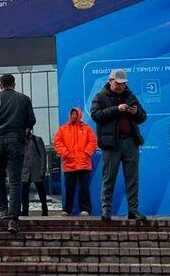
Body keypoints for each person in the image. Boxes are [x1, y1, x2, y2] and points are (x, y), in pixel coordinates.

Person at [90, 69, 148, 222]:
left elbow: (143, 117)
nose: (121, 86)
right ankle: (106, 211)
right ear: (110, 81)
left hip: (131, 142)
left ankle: (133, 210)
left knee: (132, 178)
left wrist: (135, 112)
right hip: (112, 144)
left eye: (123, 83)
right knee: (109, 177)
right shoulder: (100, 96)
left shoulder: (130, 96)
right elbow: (95, 115)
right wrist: (116, 109)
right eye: (118, 83)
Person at [0, 73, 36, 234]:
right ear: (14, 84)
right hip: (16, 141)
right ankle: (13, 218)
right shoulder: (24, 99)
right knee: (15, 180)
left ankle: (3, 211)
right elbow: (31, 120)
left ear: (0, 85)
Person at [53, 107, 97, 216]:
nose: (74, 116)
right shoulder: (63, 129)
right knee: (69, 188)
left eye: (75, 114)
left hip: (83, 164)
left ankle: (85, 209)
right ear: (70, 115)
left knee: (84, 188)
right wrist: (66, 154)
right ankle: (67, 210)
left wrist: (86, 153)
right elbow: (57, 142)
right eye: (72, 114)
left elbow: (93, 141)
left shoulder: (86, 129)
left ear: (79, 115)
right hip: (69, 164)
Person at [21, 132, 48, 217]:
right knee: (24, 193)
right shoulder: (20, 140)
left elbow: (43, 155)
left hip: (36, 170)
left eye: (27, 128)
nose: (26, 130)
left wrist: (43, 170)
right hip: (25, 170)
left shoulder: (37, 140)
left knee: (41, 191)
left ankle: (45, 210)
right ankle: (25, 211)